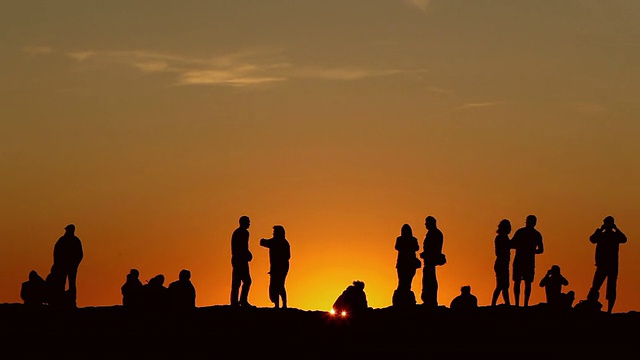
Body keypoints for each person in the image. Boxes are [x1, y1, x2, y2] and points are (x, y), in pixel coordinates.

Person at [586, 216, 627, 314]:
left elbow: (624, 239)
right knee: (596, 286)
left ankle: (609, 310)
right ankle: (591, 304)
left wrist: (616, 229)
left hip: (611, 265)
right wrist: (600, 230)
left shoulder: (615, 235)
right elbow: (592, 239)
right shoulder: (601, 235)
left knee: (611, 288)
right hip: (602, 265)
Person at [511, 215, 543, 307]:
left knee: (526, 282)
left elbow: (541, 250)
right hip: (522, 260)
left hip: (526, 260)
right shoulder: (523, 232)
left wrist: (530, 251)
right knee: (519, 282)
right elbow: (512, 244)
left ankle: (524, 304)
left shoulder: (534, 234)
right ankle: (519, 303)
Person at [260, 225, 291, 309]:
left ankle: (283, 304)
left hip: (281, 267)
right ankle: (278, 304)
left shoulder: (281, 242)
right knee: (276, 286)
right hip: (277, 267)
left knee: (279, 285)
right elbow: (264, 243)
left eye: (275, 232)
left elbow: (287, 256)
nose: (273, 234)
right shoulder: (281, 242)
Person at [53, 224, 84, 307]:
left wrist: (75, 264)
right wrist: (57, 264)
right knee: (62, 283)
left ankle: (72, 302)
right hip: (63, 267)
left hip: (71, 267)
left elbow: (80, 255)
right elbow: (56, 253)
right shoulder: (63, 240)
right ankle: (60, 302)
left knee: (71, 284)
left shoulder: (74, 241)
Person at [420, 216, 445, 308]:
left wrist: (427, 254)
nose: (425, 225)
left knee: (429, 280)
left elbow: (434, 249)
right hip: (429, 260)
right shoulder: (434, 233)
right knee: (428, 279)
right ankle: (429, 299)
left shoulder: (434, 234)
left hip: (430, 260)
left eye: (426, 223)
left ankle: (430, 300)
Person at [393, 224, 420, 308]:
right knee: (404, 281)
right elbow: (397, 247)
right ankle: (403, 296)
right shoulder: (411, 239)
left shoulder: (401, 239)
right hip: (407, 263)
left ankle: (403, 296)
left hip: (406, 263)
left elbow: (416, 248)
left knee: (405, 281)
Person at [230, 215, 254, 308]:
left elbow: (244, 247)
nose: (249, 223)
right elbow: (241, 247)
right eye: (248, 222)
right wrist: (247, 254)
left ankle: (239, 301)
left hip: (240, 259)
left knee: (242, 281)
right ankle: (238, 302)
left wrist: (247, 254)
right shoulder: (241, 233)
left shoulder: (243, 232)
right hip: (239, 259)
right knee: (242, 281)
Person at [491, 219, 512, 306]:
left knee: (504, 285)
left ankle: (506, 303)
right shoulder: (501, 238)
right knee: (501, 285)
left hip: (503, 263)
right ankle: (495, 304)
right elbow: (500, 251)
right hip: (501, 263)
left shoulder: (503, 237)